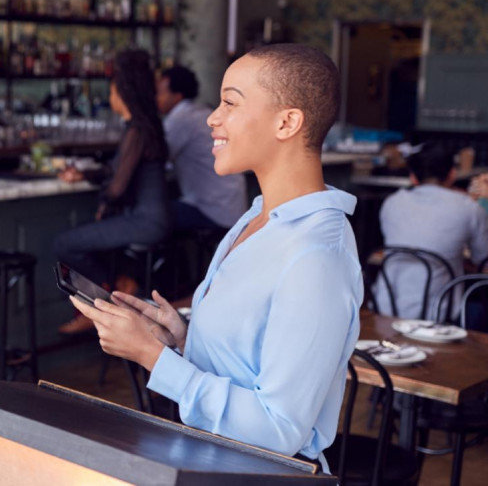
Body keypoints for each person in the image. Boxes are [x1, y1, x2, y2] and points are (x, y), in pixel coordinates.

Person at [70, 44, 362, 471]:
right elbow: (249, 360)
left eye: (230, 102)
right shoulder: (256, 218)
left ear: (287, 122)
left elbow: (280, 430)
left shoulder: (317, 254)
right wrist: (183, 340)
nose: (212, 117)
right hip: (208, 458)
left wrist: (154, 359)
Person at [54, 49, 171, 334]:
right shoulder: (143, 127)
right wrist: (85, 174)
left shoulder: (138, 131)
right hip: (151, 220)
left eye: (112, 89)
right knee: (90, 243)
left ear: (122, 92)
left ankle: (105, 304)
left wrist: (104, 206)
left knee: (64, 244)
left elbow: (118, 187)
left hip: (146, 223)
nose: (110, 95)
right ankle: (121, 287)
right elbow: (116, 170)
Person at [372, 143, 488, 321]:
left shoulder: (392, 202)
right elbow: (482, 261)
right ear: (452, 174)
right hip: (439, 316)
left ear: (413, 177)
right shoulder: (469, 209)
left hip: (385, 309)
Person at [156, 65, 247, 231]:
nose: (157, 98)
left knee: (150, 215)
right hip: (231, 206)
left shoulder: (181, 119)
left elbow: (158, 157)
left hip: (212, 210)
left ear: (177, 96)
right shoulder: (200, 112)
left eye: (161, 93)